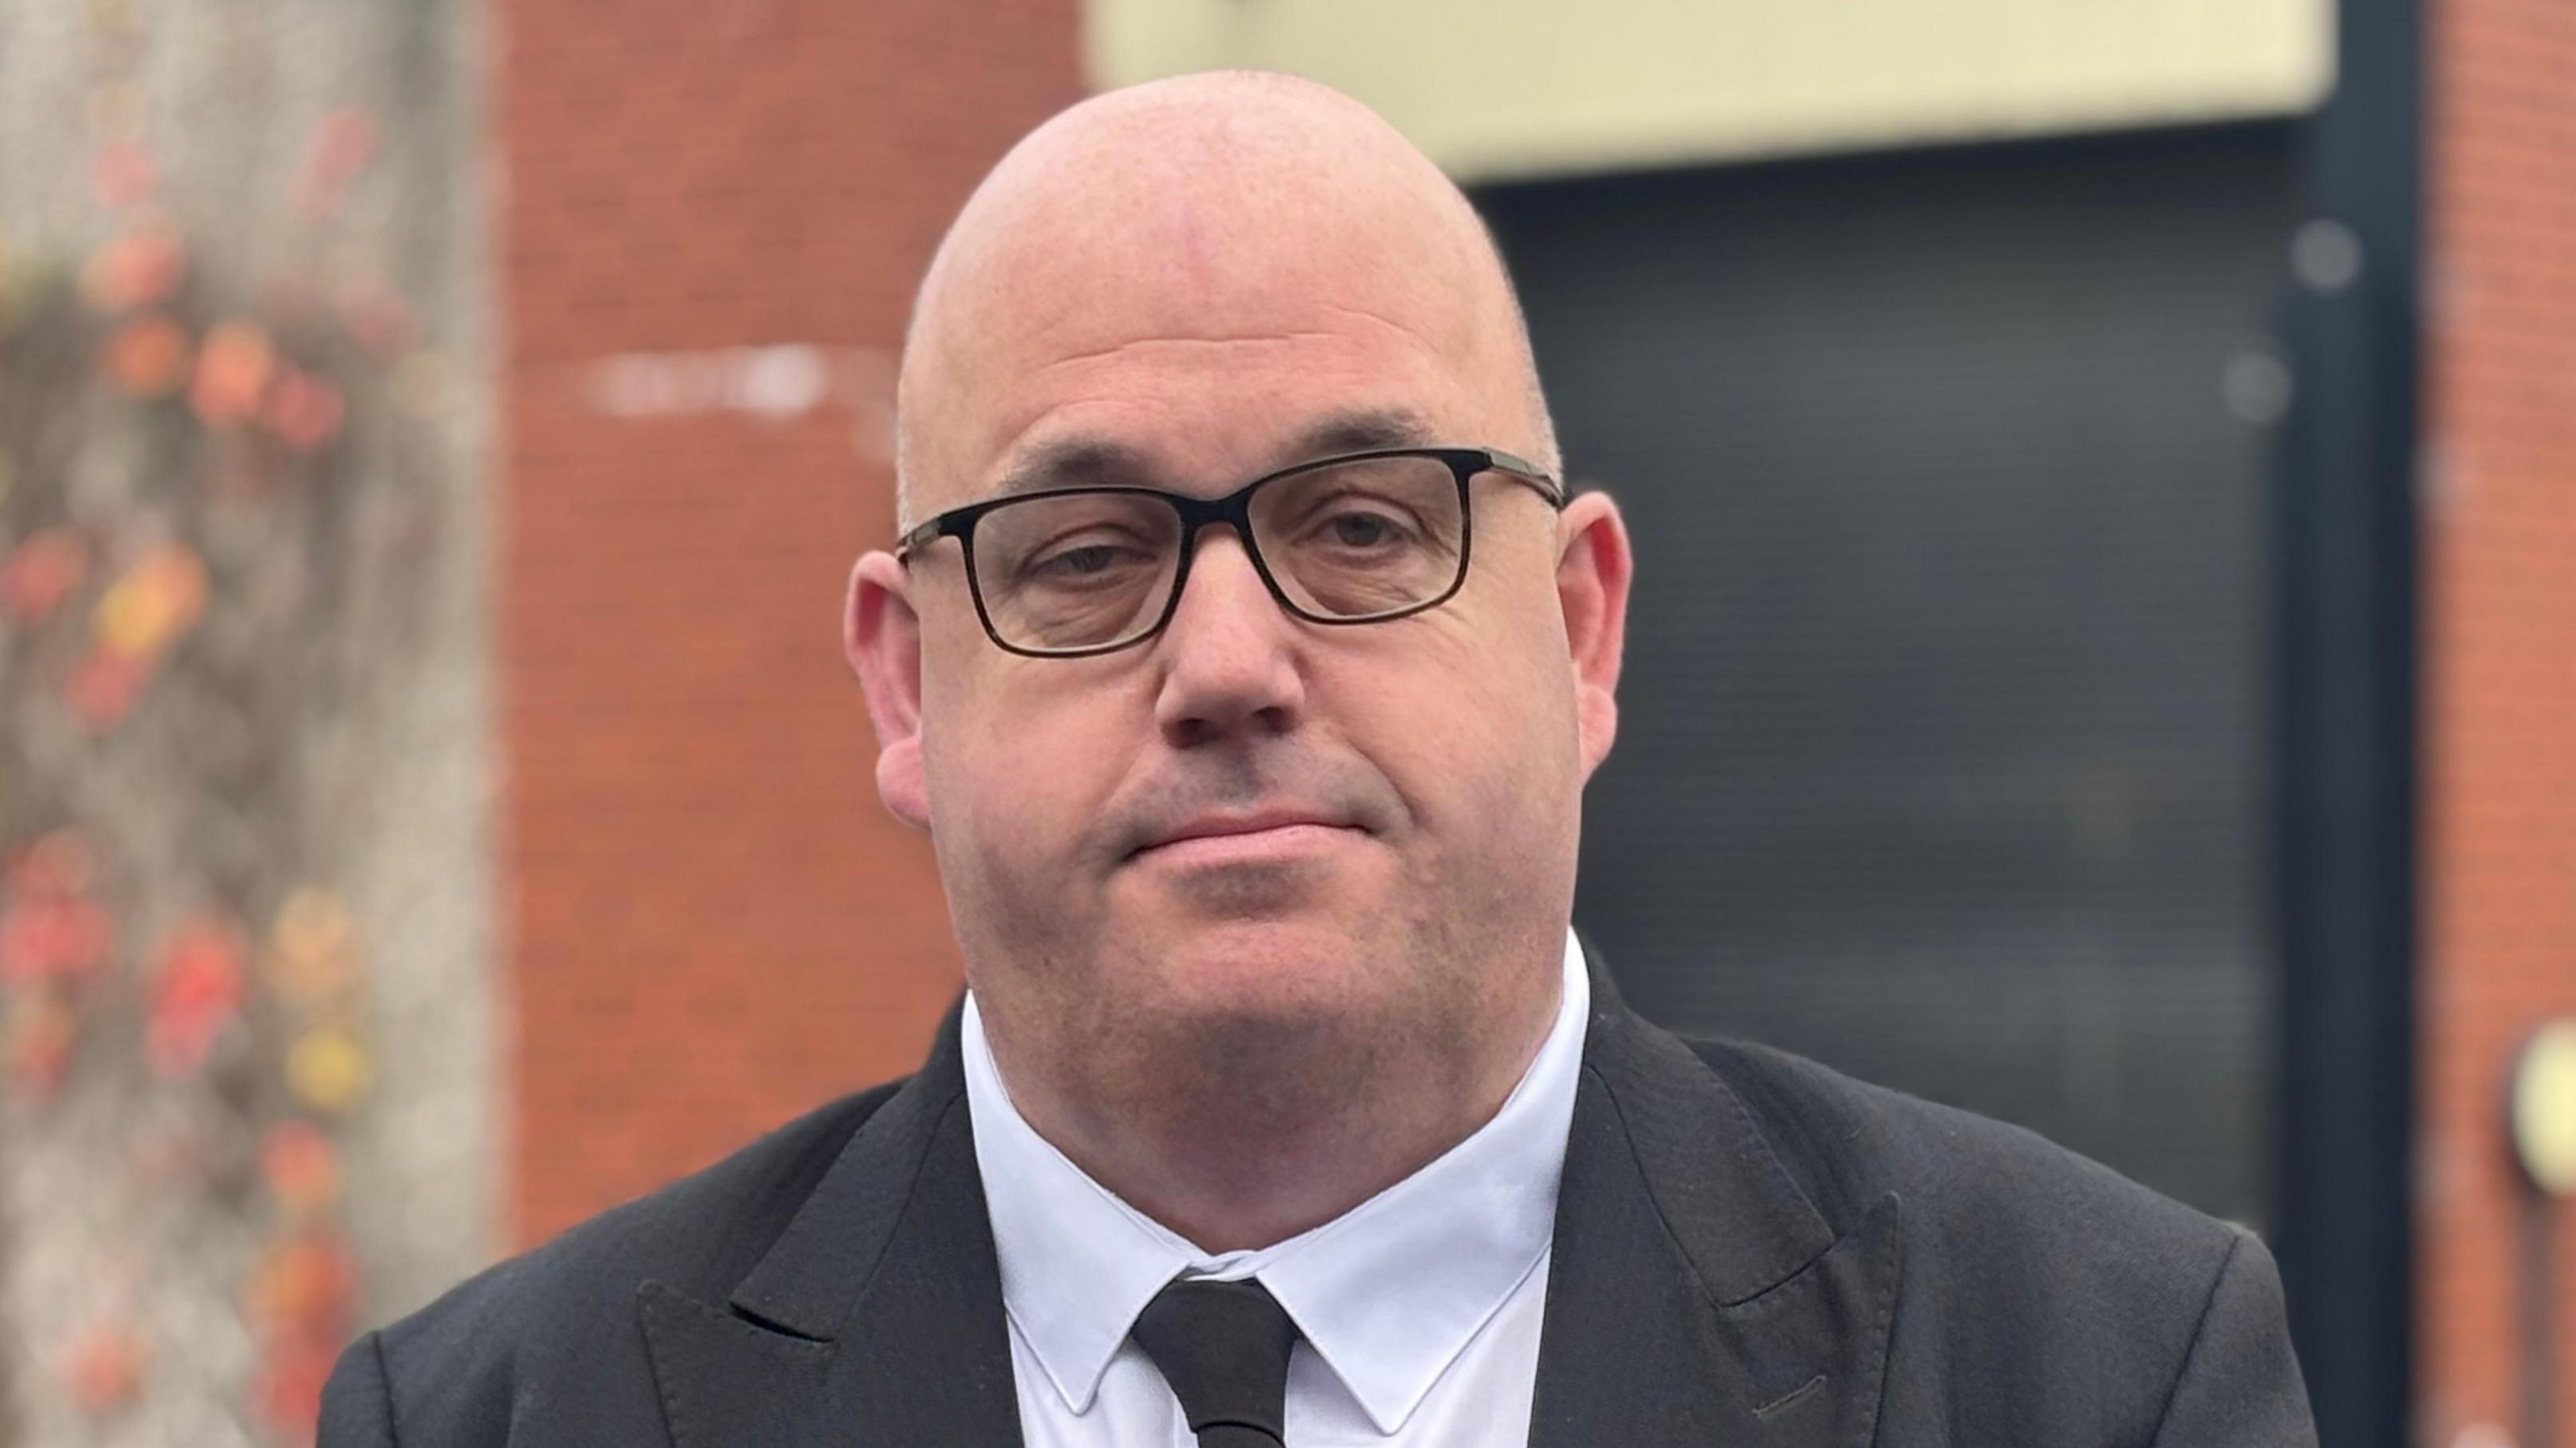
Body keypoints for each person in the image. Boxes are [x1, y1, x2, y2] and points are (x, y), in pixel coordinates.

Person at [320, 70, 2318, 1447]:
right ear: (903, 689)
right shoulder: (506, 1417)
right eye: (1085, 555)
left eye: (1363, 524)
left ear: (1579, 625)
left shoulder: (2085, 1375)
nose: (1227, 664)